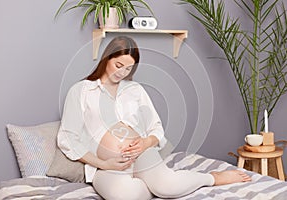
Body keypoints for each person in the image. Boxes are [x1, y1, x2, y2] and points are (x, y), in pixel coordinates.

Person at [57, 36, 251, 200]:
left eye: (128, 69)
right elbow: (68, 137)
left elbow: (156, 128)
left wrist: (144, 143)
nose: (122, 72)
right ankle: (151, 184)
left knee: (167, 186)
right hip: (105, 167)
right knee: (128, 196)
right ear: (106, 58)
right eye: (118, 65)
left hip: (142, 154)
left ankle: (212, 177)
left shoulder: (135, 90)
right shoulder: (82, 91)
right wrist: (104, 163)